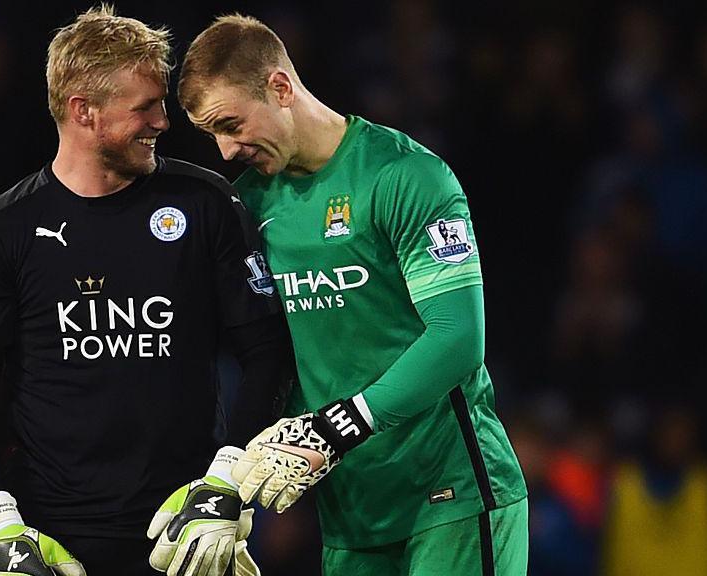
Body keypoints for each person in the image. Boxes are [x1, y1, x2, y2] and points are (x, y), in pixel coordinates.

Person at [0, 7, 293, 576]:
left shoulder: (207, 204)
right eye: (144, 108)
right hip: (50, 547)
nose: (163, 122)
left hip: (183, 540)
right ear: (83, 111)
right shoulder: (0, 231)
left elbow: (267, 351)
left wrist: (225, 482)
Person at [176, 14, 529, 576]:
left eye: (231, 124)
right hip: (352, 516)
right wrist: (228, 483)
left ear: (280, 87)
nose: (224, 150)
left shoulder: (405, 177)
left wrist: (341, 425)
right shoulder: (248, 208)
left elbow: (459, 337)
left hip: (451, 495)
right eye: (211, 134)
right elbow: (267, 359)